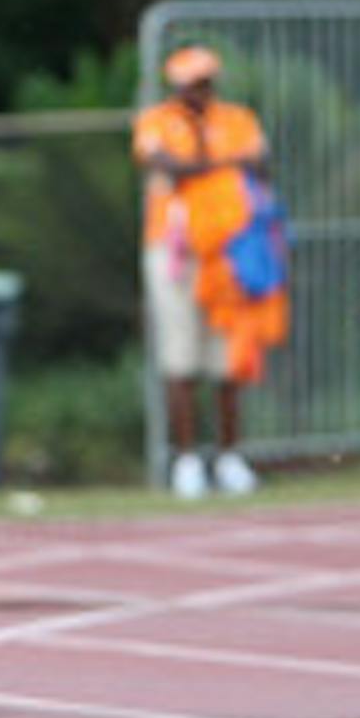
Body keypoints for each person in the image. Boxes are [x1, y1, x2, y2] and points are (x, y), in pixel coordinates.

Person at [134, 44, 271, 497]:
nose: (197, 93)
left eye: (203, 84)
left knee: (227, 356)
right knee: (181, 356)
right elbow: (166, 166)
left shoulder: (237, 119)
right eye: (189, 86)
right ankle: (187, 459)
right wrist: (223, 167)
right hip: (175, 249)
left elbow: (260, 164)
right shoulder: (157, 120)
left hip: (227, 249)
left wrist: (202, 170)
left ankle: (229, 456)